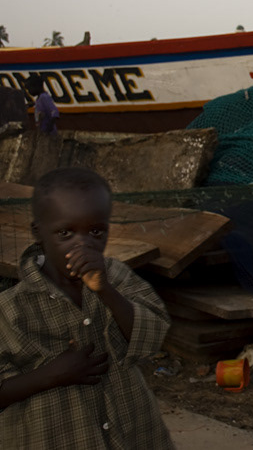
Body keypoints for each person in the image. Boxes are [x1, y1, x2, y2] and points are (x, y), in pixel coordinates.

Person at [0, 167, 175, 449]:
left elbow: (151, 338)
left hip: (131, 432)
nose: (82, 244)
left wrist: (106, 291)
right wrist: (50, 375)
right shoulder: (11, 308)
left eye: (96, 231)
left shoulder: (116, 276)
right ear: (38, 232)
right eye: (65, 232)